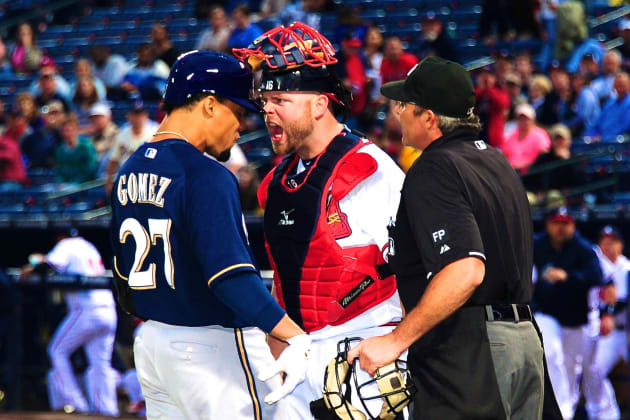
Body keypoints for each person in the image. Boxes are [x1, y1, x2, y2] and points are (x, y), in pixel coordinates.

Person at [347, 56, 563, 420]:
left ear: (429, 118)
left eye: (405, 105)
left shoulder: (434, 167)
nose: (397, 112)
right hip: (524, 341)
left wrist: (395, 342)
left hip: (470, 350)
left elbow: (465, 270)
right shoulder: (495, 160)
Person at [110, 50, 311, 419]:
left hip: (154, 345)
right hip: (212, 347)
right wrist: (294, 335)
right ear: (208, 104)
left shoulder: (128, 169)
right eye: (237, 112)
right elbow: (230, 278)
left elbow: (123, 281)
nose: (241, 127)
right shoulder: (206, 174)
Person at [233, 22, 406, 419]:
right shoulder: (275, 182)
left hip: (365, 358)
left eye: (281, 100)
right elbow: (283, 280)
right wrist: (277, 358)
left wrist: (398, 346)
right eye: (265, 101)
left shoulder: (368, 170)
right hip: (299, 362)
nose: (267, 111)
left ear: (319, 103)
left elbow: (418, 271)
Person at [20, 229, 118, 416]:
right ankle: (106, 409)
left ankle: (75, 403)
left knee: (56, 350)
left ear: (60, 237)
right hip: (108, 309)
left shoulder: (67, 245)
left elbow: (46, 264)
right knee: (100, 363)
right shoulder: (89, 246)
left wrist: (32, 265)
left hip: (86, 309)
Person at [532, 208, 606, 420]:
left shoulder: (583, 249)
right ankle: (560, 413)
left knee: (571, 367)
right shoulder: (537, 244)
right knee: (552, 354)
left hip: (575, 319)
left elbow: (596, 276)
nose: (561, 228)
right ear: (548, 224)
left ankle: (567, 411)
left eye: (565, 223)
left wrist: (568, 276)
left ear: (573, 225)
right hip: (546, 313)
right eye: (556, 222)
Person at [588, 225, 628, 420]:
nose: (608, 246)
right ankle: (606, 415)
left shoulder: (627, 267)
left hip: (625, 330)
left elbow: (621, 300)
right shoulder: (596, 264)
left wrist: (609, 313)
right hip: (609, 334)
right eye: (604, 242)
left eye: (612, 242)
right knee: (594, 370)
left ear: (621, 245)